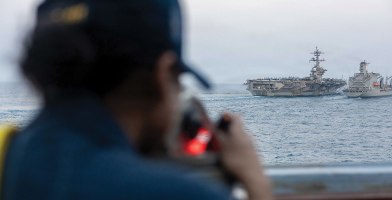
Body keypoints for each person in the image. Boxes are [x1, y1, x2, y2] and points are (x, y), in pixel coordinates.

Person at [3, 0, 273, 199]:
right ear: (163, 73)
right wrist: (255, 180)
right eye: (177, 80)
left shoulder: (8, 158)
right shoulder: (178, 193)